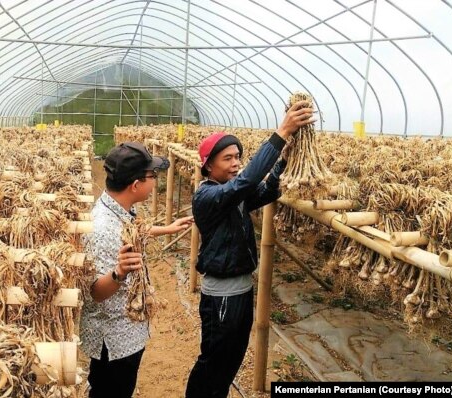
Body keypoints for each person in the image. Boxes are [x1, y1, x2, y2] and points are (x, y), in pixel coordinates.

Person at [185, 100, 315, 398]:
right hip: (222, 297)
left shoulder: (234, 194)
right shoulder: (208, 196)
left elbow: (264, 190)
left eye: (238, 157)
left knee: (231, 360)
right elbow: (246, 182)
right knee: (213, 361)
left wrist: (283, 160)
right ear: (208, 165)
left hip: (241, 291)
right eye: (228, 158)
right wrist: (281, 132)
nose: (235, 163)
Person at [80, 142, 194, 398]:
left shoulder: (116, 208)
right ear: (135, 185)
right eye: (152, 176)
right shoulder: (101, 230)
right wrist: (119, 272)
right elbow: (94, 293)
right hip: (114, 339)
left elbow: (131, 230)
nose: (155, 181)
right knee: (111, 391)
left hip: (126, 334)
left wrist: (169, 228)